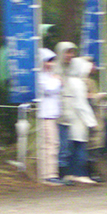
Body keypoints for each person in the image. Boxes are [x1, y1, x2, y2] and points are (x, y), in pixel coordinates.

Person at [61, 56, 99, 185]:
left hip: (70, 119)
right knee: (80, 147)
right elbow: (81, 104)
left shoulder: (70, 81)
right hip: (78, 120)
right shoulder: (78, 83)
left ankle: (70, 173)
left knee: (72, 147)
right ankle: (80, 173)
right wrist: (91, 122)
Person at [36, 48, 67, 186]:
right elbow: (48, 89)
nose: (50, 64)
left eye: (52, 61)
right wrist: (58, 82)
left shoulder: (50, 75)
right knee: (50, 144)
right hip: (45, 114)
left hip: (52, 113)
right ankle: (49, 175)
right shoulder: (40, 76)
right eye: (47, 61)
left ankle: (50, 173)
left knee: (53, 144)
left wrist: (57, 82)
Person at [54, 41, 78, 180]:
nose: (70, 55)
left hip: (71, 113)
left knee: (68, 145)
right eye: (68, 52)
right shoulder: (55, 70)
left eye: (72, 52)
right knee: (61, 145)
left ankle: (68, 173)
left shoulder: (72, 69)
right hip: (59, 114)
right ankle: (61, 174)